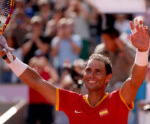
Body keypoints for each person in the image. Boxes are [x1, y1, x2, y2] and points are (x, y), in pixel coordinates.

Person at [0, 19, 149, 124]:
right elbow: (37, 82)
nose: (91, 75)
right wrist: (9, 57)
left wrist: (142, 51)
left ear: (108, 77)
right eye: (88, 70)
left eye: (98, 72)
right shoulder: (73, 101)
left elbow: (135, 80)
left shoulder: (119, 100)